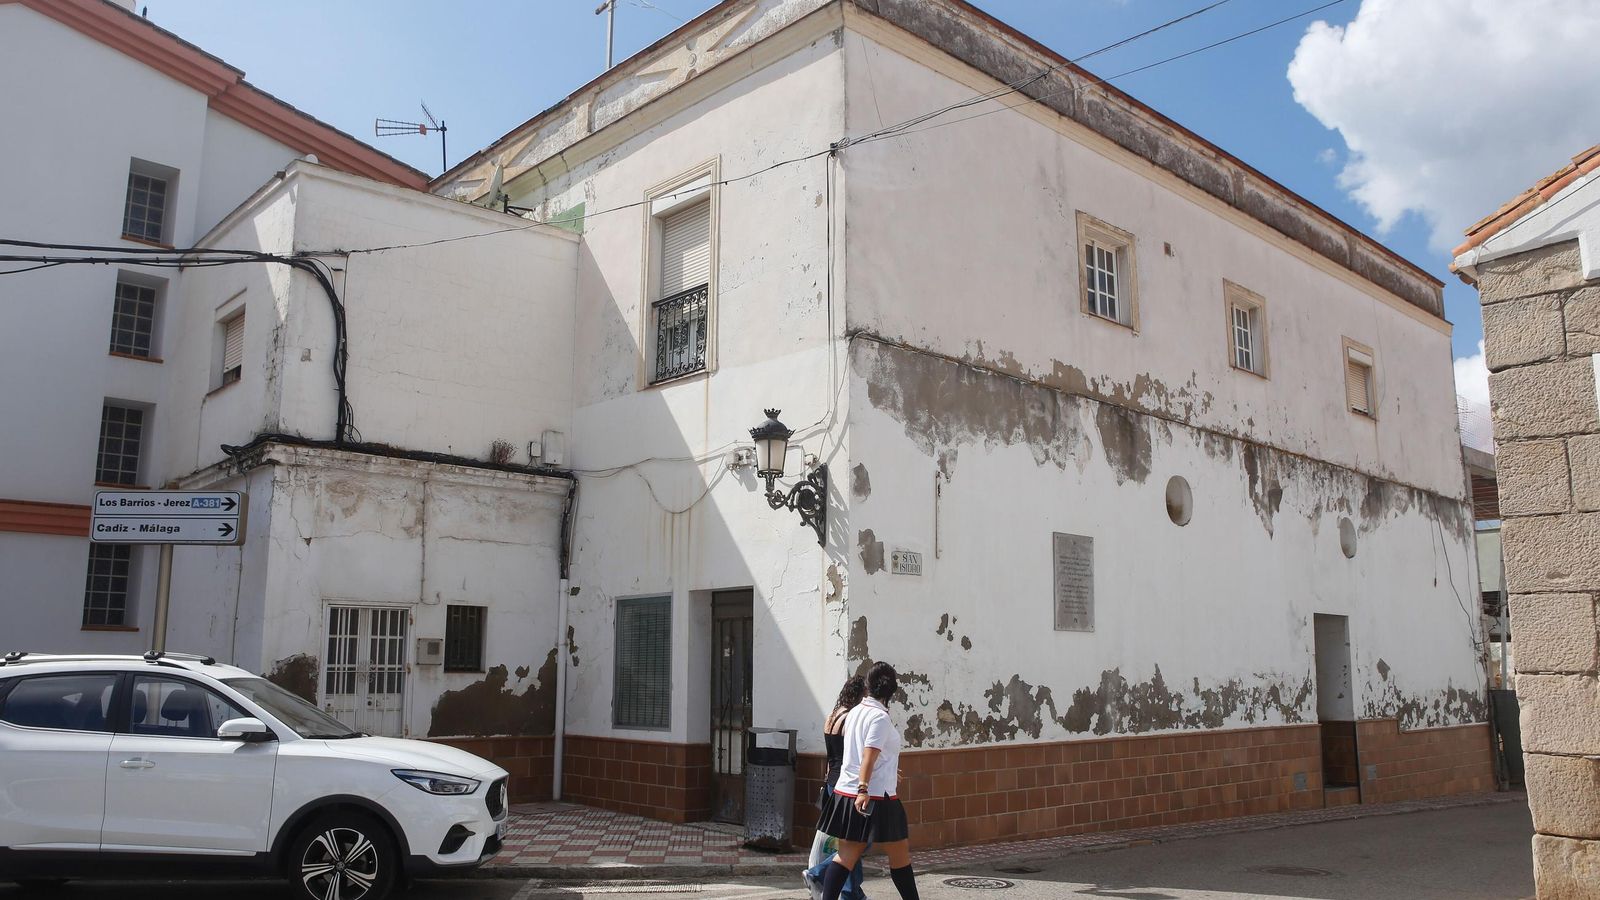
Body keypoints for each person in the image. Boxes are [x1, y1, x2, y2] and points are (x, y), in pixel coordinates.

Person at [814, 662, 920, 900]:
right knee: (900, 856)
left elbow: (867, 754)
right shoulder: (879, 717)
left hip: (848, 792)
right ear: (891, 691)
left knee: (846, 857)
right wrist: (863, 788)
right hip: (874, 797)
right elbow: (868, 755)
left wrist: (889, 771)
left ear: (868, 686)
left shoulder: (854, 712)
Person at [803, 677, 868, 900]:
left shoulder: (831, 716)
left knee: (849, 841)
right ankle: (818, 873)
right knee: (857, 841)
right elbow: (852, 755)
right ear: (860, 694)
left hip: (831, 783)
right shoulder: (850, 718)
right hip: (846, 786)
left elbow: (831, 757)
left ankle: (853, 892)